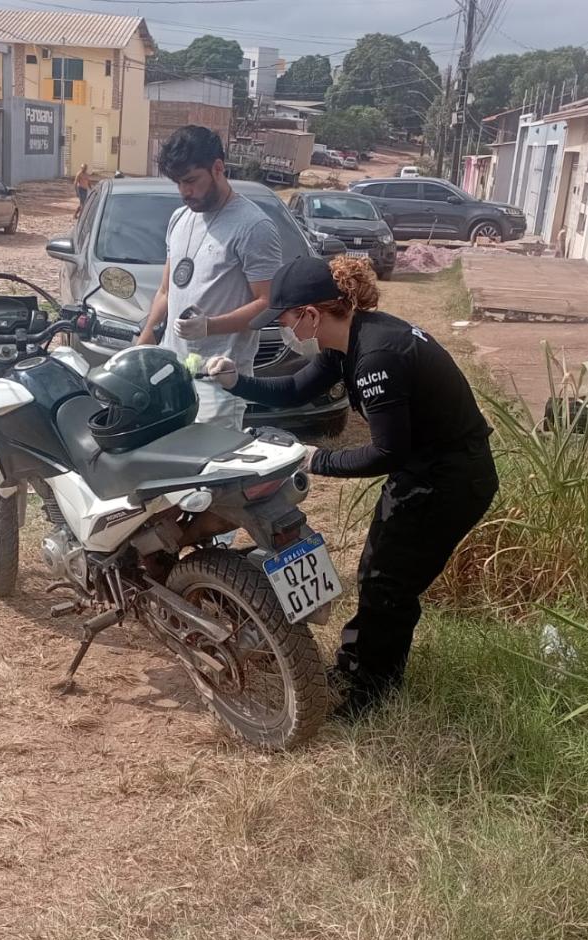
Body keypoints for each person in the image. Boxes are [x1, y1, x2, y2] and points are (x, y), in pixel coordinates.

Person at [203, 255, 498, 717]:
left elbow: (386, 453)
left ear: (311, 314)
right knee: (378, 574)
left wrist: (316, 459)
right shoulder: (348, 340)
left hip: (450, 479)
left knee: (389, 585)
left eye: (283, 318)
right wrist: (236, 382)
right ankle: (359, 668)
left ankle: (371, 693)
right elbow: (294, 390)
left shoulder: (377, 355)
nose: (282, 326)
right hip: (427, 470)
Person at [136, 125, 281, 430]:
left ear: (218, 168)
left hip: (220, 381)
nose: (184, 192)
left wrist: (209, 327)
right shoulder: (179, 218)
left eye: (191, 181)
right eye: (178, 183)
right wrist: (144, 344)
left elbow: (269, 303)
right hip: (174, 376)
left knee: (213, 474)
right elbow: (166, 290)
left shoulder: (254, 226)